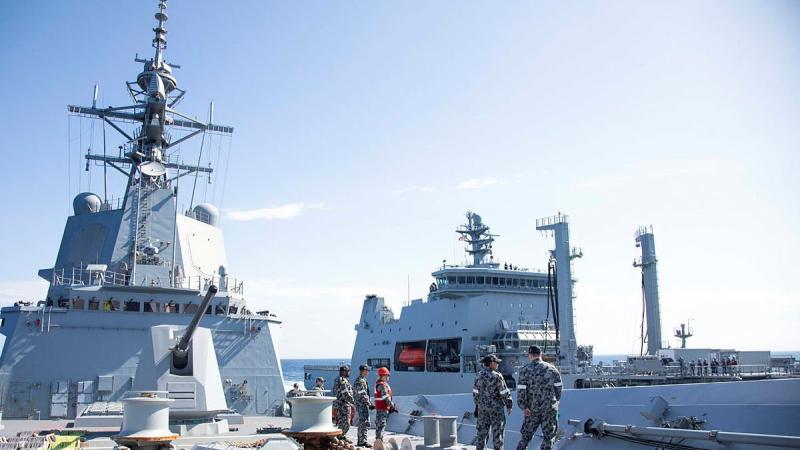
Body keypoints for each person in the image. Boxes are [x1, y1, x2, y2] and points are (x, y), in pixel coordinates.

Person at [516, 346, 562, 450]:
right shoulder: (552, 369)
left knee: (525, 437)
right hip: (549, 408)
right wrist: (555, 402)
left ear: (530, 355)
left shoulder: (525, 370)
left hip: (532, 409)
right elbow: (559, 388)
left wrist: (524, 407)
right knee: (549, 437)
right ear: (540, 354)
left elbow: (521, 391)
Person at [473, 354, 513, 450]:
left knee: (481, 434)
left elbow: (475, 393)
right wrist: (509, 405)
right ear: (491, 363)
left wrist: (478, 406)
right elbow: (504, 392)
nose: (498, 364)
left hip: (483, 410)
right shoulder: (497, 376)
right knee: (497, 435)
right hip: (496, 410)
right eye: (496, 363)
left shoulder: (478, 375)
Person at [332, 365, 355, 441]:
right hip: (343, 404)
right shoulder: (342, 380)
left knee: (342, 421)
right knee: (346, 423)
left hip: (340, 404)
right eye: (348, 371)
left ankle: (341, 436)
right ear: (344, 372)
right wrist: (353, 401)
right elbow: (345, 392)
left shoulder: (337, 379)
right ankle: (340, 436)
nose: (349, 373)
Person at [374, 367, 395, 443]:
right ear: (383, 376)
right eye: (387, 375)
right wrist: (392, 406)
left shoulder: (378, 384)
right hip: (383, 409)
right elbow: (386, 397)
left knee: (379, 426)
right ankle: (379, 442)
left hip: (380, 408)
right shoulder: (382, 385)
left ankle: (378, 441)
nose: (388, 377)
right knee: (381, 426)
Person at [354, 365, 373, 447]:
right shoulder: (360, 381)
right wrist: (369, 403)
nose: (368, 372)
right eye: (367, 370)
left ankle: (362, 440)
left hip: (363, 404)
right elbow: (363, 394)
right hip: (362, 404)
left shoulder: (363, 380)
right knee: (363, 422)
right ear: (363, 371)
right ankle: (362, 441)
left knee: (364, 422)